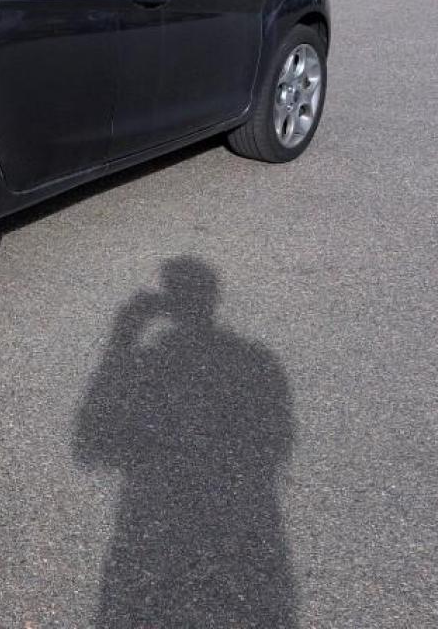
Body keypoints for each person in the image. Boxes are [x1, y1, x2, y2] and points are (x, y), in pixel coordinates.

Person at [73, 257, 297, 628]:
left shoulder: (150, 362)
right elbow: (278, 446)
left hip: (147, 518)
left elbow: (90, 447)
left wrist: (123, 335)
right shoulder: (259, 362)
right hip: (248, 521)